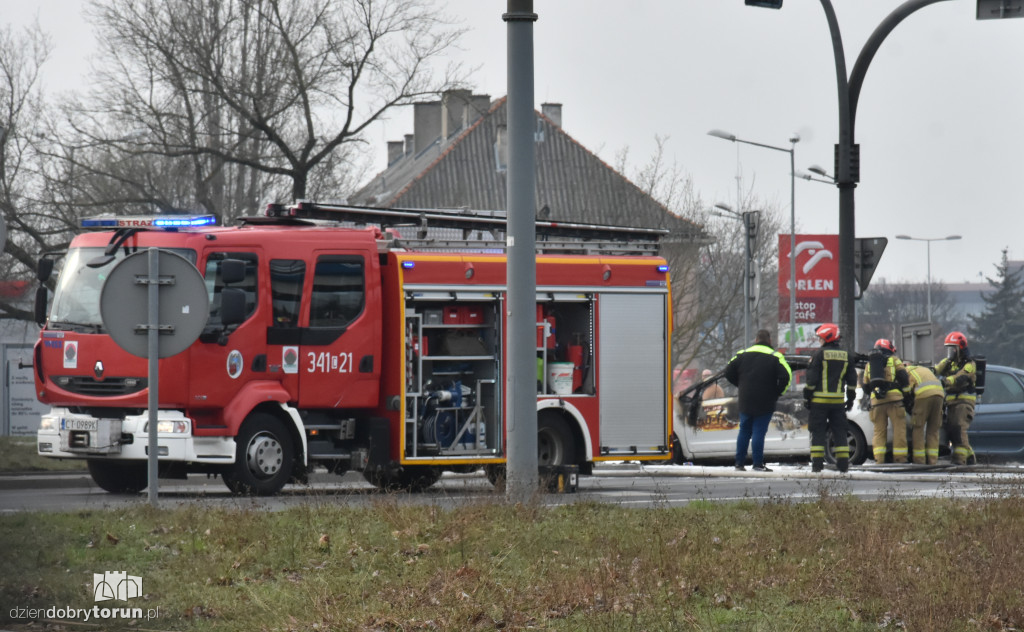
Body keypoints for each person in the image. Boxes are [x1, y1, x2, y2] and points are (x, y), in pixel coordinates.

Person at [723, 329, 792, 472]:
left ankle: (739, 464)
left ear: (755, 340)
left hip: (745, 399)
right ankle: (757, 464)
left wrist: (740, 384)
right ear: (770, 341)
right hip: (765, 400)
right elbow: (787, 376)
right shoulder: (776, 357)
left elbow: (727, 371)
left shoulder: (742, 355)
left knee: (744, 431)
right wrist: (778, 391)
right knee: (758, 432)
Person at [803, 323, 857, 473]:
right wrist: (850, 400)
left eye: (820, 338)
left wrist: (807, 398)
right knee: (840, 432)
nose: (819, 341)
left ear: (827, 337)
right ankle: (843, 465)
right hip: (838, 403)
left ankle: (817, 465)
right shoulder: (847, 356)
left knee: (818, 432)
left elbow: (811, 381)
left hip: (819, 403)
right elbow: (852, 382)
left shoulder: (819, 355)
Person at [862, 339, 911, 463]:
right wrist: (906, 393)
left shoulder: (870, 364)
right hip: (895, 400)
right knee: (899, 430)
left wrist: (874, 394)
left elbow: (865, 386)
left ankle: (879, 459)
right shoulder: (894, 360)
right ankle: (900, 459)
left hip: (877, 403)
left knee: (879, 432)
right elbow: (903, 377)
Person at [934, 331, 978, 465]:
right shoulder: (949, 362)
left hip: (963, 402)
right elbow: (936, 370)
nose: (951, 351)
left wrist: (945, 381)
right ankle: (970, 458)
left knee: (959, 429)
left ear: (960, 348)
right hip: (951, 402)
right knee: (952, 430)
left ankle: (959, 460)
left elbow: (960, 378)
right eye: (948, 348)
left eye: (953, 348)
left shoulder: (970, 364)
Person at [904, 364, 945, 465]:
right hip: (940, 395)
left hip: (924, 396)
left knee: (918, 427)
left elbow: (906, 391)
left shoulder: (907, 372)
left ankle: (919, 460)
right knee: (933, 429)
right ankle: (933, 460)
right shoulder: (924, 369)